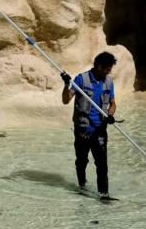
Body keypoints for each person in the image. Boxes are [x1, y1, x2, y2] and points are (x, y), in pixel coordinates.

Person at [60, 52, 119, 200]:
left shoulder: (109, 82)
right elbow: (66, 100)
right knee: (81, 161)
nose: (109, 72)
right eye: (107, 69)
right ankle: (82, 185)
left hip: (100, 129)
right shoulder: (81, 79)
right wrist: (67, 84)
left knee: (102, 164)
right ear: (99, 66)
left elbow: (112, 104)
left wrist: (110, 115)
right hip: (82, 130)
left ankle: (103, 194)